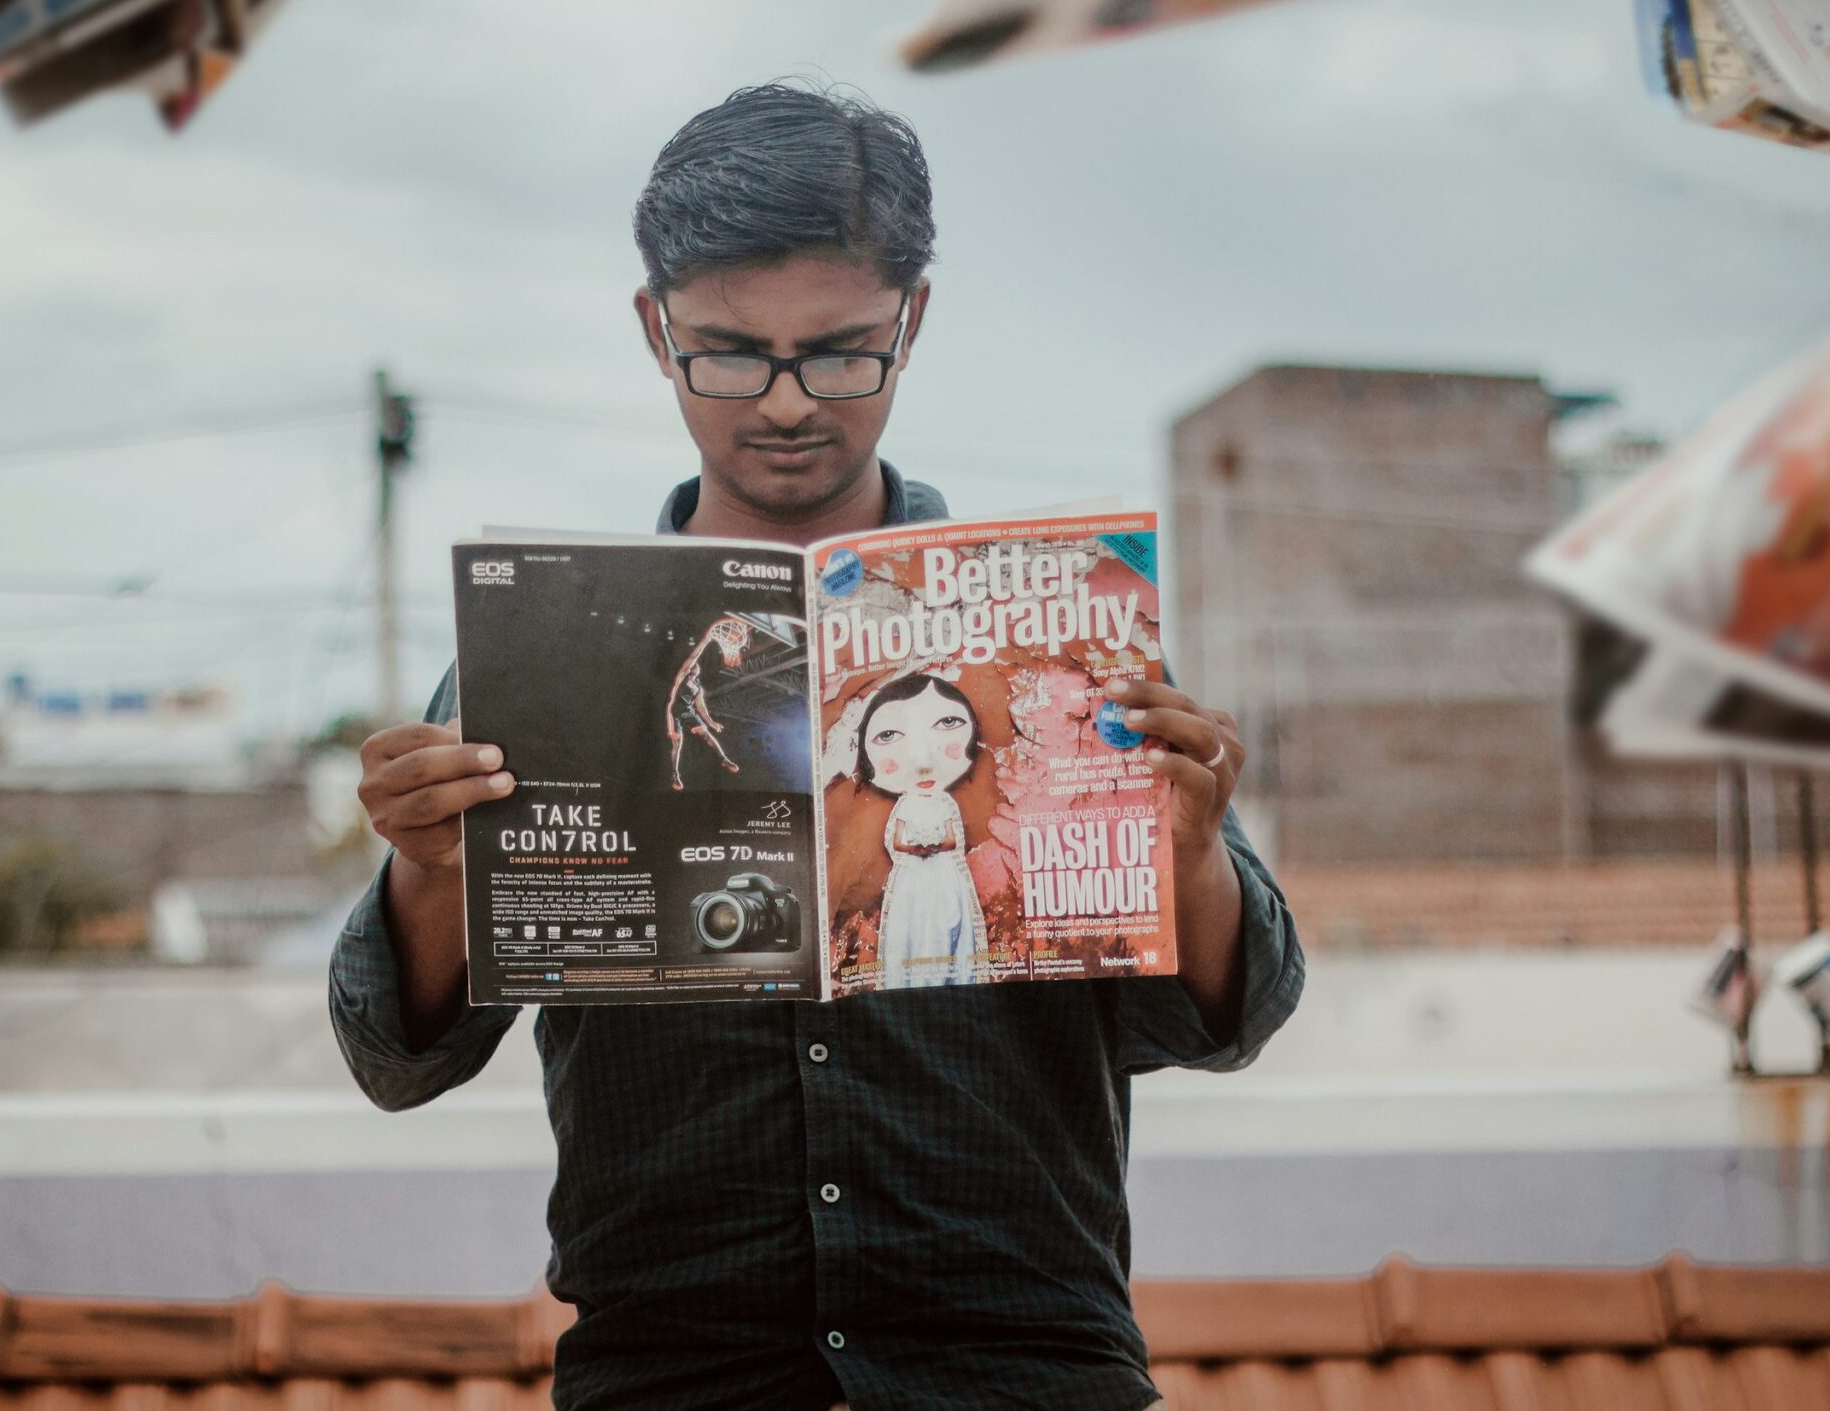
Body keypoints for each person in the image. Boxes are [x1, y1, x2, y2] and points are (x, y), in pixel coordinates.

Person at [332, 81, 1305, 1411]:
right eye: (728, 352)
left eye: (841, 351)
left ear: (911, 322)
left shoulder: (1061, 635)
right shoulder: (538, 657)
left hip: (1019, 1371)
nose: (785, 402)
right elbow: (399, 1055)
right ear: (652, 329)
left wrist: (1188, 847)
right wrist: (429, 869)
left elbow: (1229, 1018)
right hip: (677, 1373)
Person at [853, 670, 988, 989]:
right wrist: (916, 849)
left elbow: (954, 839)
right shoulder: (906, 806)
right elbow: (896, 841)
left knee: (947, 923)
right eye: (888, 735)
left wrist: (935, 847)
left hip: (943, 875)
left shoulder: (944, 803)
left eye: (947, 723)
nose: (924, 762)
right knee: (911, 928)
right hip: (913, 877)